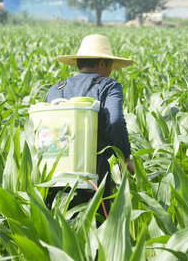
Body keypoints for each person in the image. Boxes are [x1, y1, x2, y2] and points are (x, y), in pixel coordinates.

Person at [45, 34, 135, 218]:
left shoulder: (55, 89)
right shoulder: (108, 86)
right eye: (110, 65)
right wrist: (124, 156)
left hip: (53, 179)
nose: (110, 71)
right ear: (102, 64)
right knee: (96, 235)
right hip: (93, 177)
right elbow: (115, 121)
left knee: (58, 237)